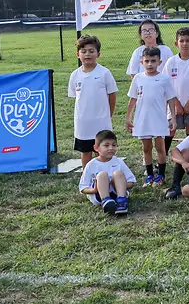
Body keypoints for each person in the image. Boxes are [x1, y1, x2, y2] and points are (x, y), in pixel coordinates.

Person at [126, 46, 177, 187]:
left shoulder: (164, 79)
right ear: (141, 62)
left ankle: (160, 175)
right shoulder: (138, 78)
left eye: (153, 61)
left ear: (159, 62)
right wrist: (128, 118)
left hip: (159, 119)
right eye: (146, 61)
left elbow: (171, 99)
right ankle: (149, 175)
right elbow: (133, 99)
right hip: (142, 119)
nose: (150, 64)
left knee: (160, 147)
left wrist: (173, 117)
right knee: (146, 148)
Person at [68, 34, 118, 167]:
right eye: (83, 51)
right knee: (85, 152)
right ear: (78, 54)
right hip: (83, 122)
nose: (87, 54)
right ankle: (87, 178)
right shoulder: (75, 75)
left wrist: (108, 114)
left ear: (98, 54)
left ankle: (106, 175)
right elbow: (76, 97)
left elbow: (112, 95)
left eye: (91, 51)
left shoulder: (104, 73)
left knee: (103, 151)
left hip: (101, 121)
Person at [78, 129, 134, 215]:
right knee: (102, 175)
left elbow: (131, 182)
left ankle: (121, 201)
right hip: (99, 195)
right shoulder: (91, 165)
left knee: (118, 174)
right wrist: (94, 190)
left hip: (117, 193)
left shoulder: (119, 162)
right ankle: (106, 201)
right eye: (106, 145)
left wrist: (119, 184)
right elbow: (83, 188)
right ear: (96, 148)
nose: (111, 148)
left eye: (114, 145)